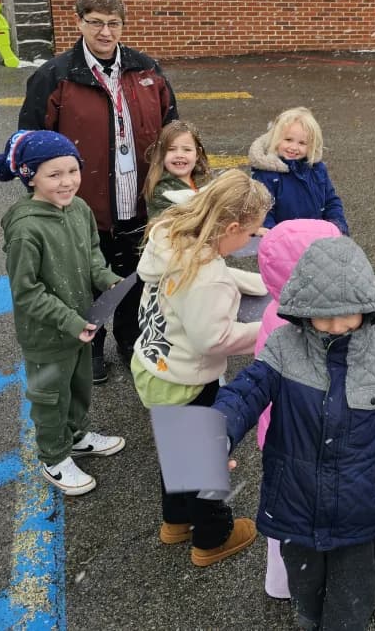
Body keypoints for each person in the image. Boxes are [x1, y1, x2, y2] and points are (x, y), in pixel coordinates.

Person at [212, 236, 375, 631]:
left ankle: (357, 610)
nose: (335, 326)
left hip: (359, 511)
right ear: (302, 309)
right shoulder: (283, 346)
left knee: (349, 608)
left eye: (348, 315)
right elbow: (243, 394)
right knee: (306, 601)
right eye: (323, 317)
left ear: (367, 306)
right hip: (294, 506)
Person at [18, 0, 178, 385]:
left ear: (123, 26)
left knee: (136, 276)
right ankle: (89, 347)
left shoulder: (147, 70)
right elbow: (30, 143)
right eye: (95, 22)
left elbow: (172, 130)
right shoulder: (54, 76)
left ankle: (130, 338)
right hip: (82, 204)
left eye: (113, 23)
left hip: (138, 200)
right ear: (79, 23)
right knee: (81, 280)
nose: (105, 32)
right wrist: (44, 202)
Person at [131, 170, 271, 567]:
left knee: (177, 445)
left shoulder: (173, 238)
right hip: (187, 378)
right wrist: (266, 329)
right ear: (231, 228)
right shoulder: (209, 278)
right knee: (204, 459)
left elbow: (205, 276)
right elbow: (214, 338)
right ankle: (213, 537)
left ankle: (176, 520)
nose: (250, 241)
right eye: (250, 234)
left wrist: (251, 282)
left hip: (155, 367)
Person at [0, 130, 126, 496]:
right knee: (50, 398)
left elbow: (93, 256)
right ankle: (54, 458)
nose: (67, 182)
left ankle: (77, 437)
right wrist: (69, 321)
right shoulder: (25, 230)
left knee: (79, 387)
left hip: (82, 322)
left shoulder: (79, 209)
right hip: (47, 335)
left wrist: (108, 279)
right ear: (30, 176)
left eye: (72, 171)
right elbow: (26, 292)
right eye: (54, 174)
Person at [251, 218, 343, 600]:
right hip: (313, 441)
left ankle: (280, 583)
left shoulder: (276, 312)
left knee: (283, 512)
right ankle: (318, 584)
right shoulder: (318, 328)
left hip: (278, 439)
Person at [248, 106, 348, 234]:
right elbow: (263, 212)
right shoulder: (266, 175)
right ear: (275, 138)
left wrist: (337, 226)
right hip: (283, 240)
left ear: (311, 145)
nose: (294, 147)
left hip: (316, 237)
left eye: (302, 143)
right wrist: (273, 236)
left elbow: (331, 201)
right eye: (288, 140)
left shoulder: (317, 170)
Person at [144, 119, 211, 220]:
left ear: (197, 153)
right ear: (161, 154)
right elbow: (170, 226)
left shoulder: (207, 181)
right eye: (171, 149)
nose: (179, 155)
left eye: (187, 149)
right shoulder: (160, 191)